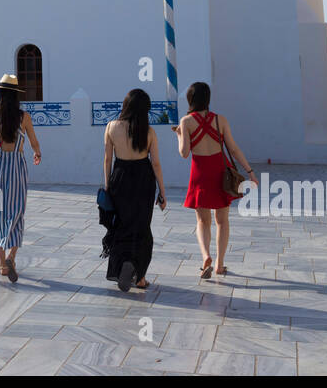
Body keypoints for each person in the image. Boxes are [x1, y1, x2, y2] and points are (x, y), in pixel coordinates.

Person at [177, 81, 258, 278]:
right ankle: (220, 264)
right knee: (222, 220)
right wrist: (250, 172)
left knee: (202, 221)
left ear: (190, 99)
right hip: (220, 173)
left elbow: (184, 153)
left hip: (200, 174)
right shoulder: (220, 120)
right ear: (208, 99)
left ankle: (206, 257)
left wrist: (179, 135)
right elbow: (233, 148)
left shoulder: (186, 121)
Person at [103, 89, 166, 292]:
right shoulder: (148, 132)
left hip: (120, 177)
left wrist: (107, 185)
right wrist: (162, 192)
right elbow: (155, 163)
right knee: (141, 227)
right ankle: (139, 276)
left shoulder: (112, 127)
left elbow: (107, 159)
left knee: (121, 225)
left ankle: (122, 265)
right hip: (143, 179)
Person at [0, 74, 42, 282]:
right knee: (17, 212)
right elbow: (34, 141)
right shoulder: (24, 117)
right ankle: (12, 257)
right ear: (16, 96)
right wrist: (37, 153)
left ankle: (2, 265)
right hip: (17, 168)